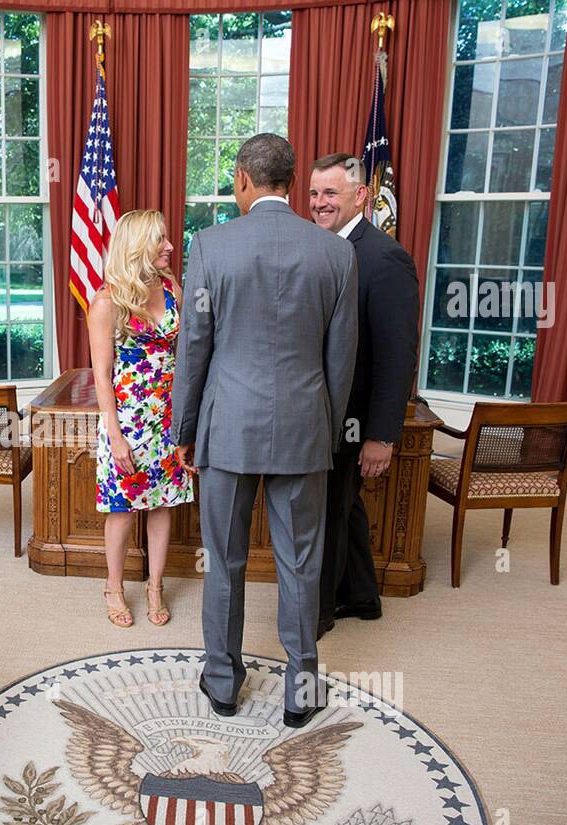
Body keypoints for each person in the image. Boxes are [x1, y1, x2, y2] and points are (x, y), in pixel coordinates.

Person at [171, 133, 357, 728]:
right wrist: (324, 429)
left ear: (245, 180)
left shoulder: (211, 247)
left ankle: (222, 682)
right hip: (304, 430)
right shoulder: (333, 252)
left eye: (234, 180)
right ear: (291, 182)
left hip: (227, 429)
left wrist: (185, 428)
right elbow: (341, 359)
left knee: (223, 559)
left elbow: (194, 345)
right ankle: (301, 691)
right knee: (300, 563)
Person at [308, 153, 420, 637]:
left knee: (327, 512)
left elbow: (398, 356)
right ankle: (360, 596)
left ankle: (317, 613)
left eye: (330, 193)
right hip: (320, 410)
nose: (319, 203)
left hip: (353, 419)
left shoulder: (384, 257)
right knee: (344, 506)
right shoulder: (316, 247)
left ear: (361, 196)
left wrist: (381, 435)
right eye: (313, 194)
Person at [88, 209, 194, 628]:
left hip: (167, 417)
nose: (170, 246)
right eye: (161, 240)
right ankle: (113, 587)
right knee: (122, 508)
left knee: (163, 504)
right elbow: (101, 376)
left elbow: (187, 357)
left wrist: (189, 420)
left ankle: (155, 586)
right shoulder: (106, 301)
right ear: (137, 248)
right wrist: (115, 435)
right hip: (127, 421)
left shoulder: (172, 291)